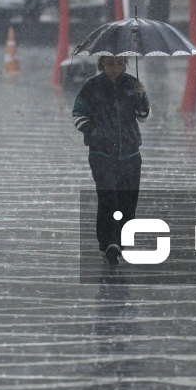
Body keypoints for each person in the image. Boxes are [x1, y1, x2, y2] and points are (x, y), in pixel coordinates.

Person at [72, 56, 149, 264]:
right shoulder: (92, 86)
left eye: (119, 63)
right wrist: (94, 132)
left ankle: (119, 242)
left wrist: (141, 96)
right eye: (110, 64)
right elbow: (78, 114)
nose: (115, 68)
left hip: (131, 153)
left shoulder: (133, 84)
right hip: (101, 154)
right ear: (102, 65)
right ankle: (108, 243)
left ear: (125, 63)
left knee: (128, 202)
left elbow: (142, 115)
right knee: (108, 198)